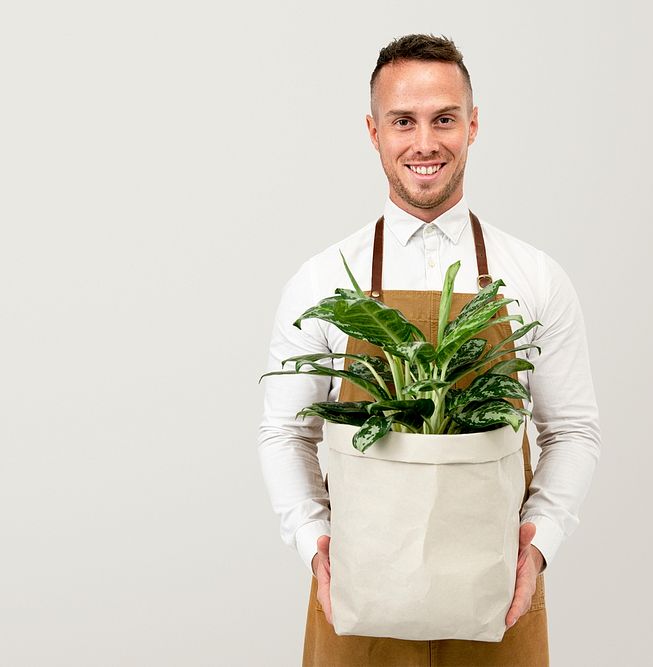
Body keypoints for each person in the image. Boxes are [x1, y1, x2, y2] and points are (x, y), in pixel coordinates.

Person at [258, 34, 600, 666]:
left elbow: (573, 429)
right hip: (358, 598)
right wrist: (317, 546)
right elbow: (285, 432)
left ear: (473, 125)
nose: (424, 143)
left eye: (444, 119)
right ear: (372, 131)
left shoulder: (535, 277)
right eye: (403, 121)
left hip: (499, 600)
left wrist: (537, 546)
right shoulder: (325, 279)